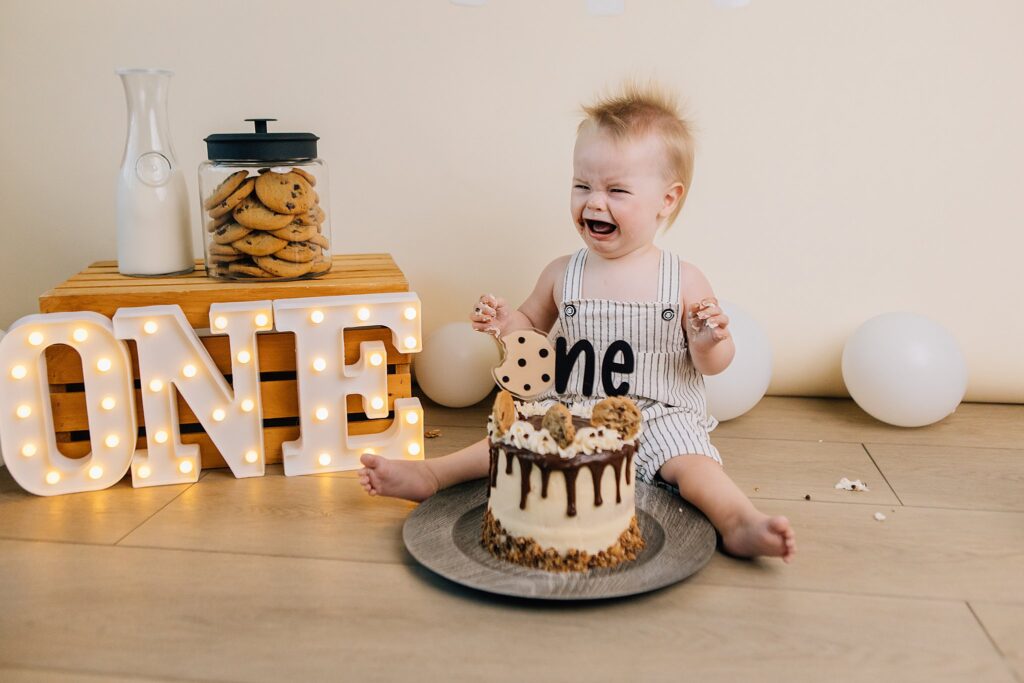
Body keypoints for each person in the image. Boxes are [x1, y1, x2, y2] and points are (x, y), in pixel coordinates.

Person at [359, 82, 795, 562]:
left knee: (694, 467)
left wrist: (708, 339)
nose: (593, 203)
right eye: (582, 185)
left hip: (658, 414)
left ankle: (738, 520)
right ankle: (434, 475)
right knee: (510, 438)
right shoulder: (563, 273)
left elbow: (713, 365)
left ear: (666, 201)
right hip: (570, 405)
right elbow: (530, 332)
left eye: (617, 190)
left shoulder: (684, 281)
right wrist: (506, 323)